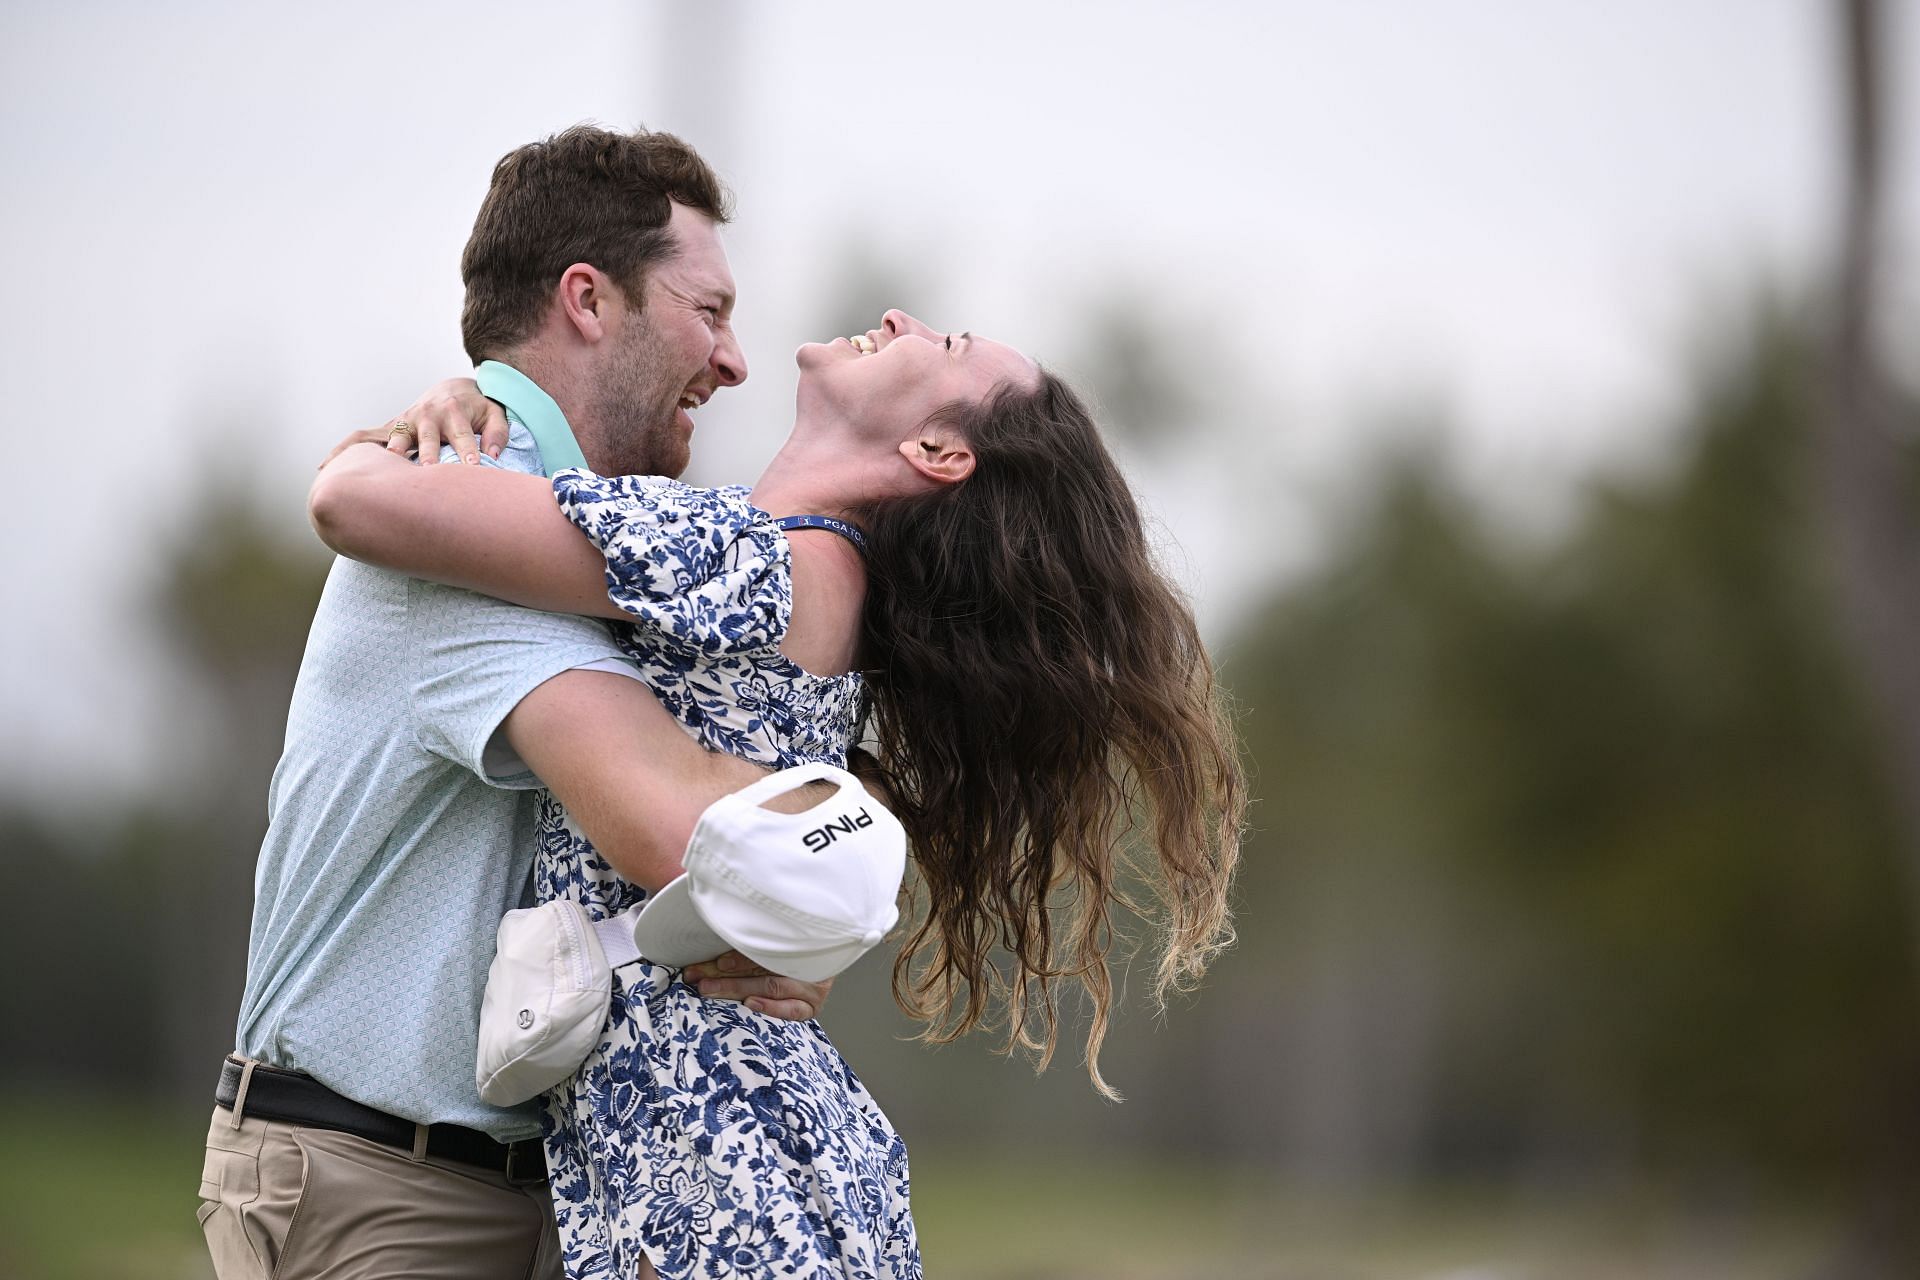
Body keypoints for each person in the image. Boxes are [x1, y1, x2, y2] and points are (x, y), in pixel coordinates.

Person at [309, 307, 1246, 1279]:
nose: (901, 318)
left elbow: (357, 504)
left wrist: (452, 411)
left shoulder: (754, 561)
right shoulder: (808, 575)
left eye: (950, 343)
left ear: (935, 449)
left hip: (712, 1152)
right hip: (735, 1132)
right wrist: (470, 395)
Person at [201, 126, 834, 1280]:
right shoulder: (466, 512)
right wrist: (815, 880)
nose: (735, 360)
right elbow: (671, 817)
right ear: (588, 300)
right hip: (380, 1188)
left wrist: (771, 914)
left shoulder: (549, 520)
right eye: (709, 310)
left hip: (496, 1185)